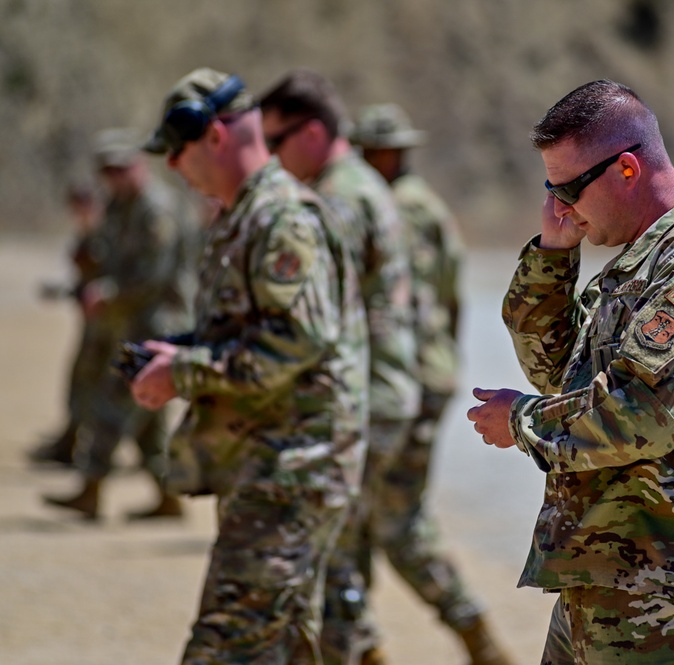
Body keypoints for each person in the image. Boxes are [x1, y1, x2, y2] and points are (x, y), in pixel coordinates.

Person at [467, 80, 674, 665]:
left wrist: (521, 423)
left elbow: (642, 414)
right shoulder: (643, 262)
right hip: (614, 579)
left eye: (568, 188)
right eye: (550, 188)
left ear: (625, 170)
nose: (561, 205)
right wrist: (553, 256)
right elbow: (557, 371)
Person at [132, 67, 369, 663]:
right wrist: (181, 351)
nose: (171, 167)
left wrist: (182, 373)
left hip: (292, 467)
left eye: (176, 149)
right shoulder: (243, 216)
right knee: (284, 642)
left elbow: (296, 341)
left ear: (214, 135)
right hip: (266, 460)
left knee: (226, 643)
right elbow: (248, 328)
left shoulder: (281, 217)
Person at [257, 70, 424, 665]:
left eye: (275, 142)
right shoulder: (351, 187)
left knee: (327, 549)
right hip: (380, 391)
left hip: (365, 396)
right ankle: (363, 649)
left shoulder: (343, 197)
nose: (270, 157)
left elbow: (317, 312)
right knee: (342, 543)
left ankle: (346, 648)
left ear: (311, 132)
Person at [348, 103, 513, 665]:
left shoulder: (401, 211)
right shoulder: (422, 207)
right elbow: (449, 304)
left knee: (388, 522)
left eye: (374, 152)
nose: (368, 162)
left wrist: (416, 379)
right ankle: (362, 642)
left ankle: (469, 634)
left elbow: (409, 310)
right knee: (368, 517)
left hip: (399, 387)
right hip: (415, 382)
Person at [42, 128, 195, 520]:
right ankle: (168, 497)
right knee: (145, 420)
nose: (113, 176)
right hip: (128, 325)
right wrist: (86, 229)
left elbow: (152, 277)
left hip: (157, 325)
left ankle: (91, 489)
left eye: (120, 167)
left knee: (114, 402)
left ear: (139, 165)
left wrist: (108, 293)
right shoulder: (117, 206)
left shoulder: (155, 209)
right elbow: (100, 259)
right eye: (107, 170)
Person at [30, 181, 106, 467]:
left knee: (107, 386)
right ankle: (72, 440)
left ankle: (89, 448)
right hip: (95, 323)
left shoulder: (110, 233)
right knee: (81, 381)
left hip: (113, 324)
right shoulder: (89, 234)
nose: (81, 211)